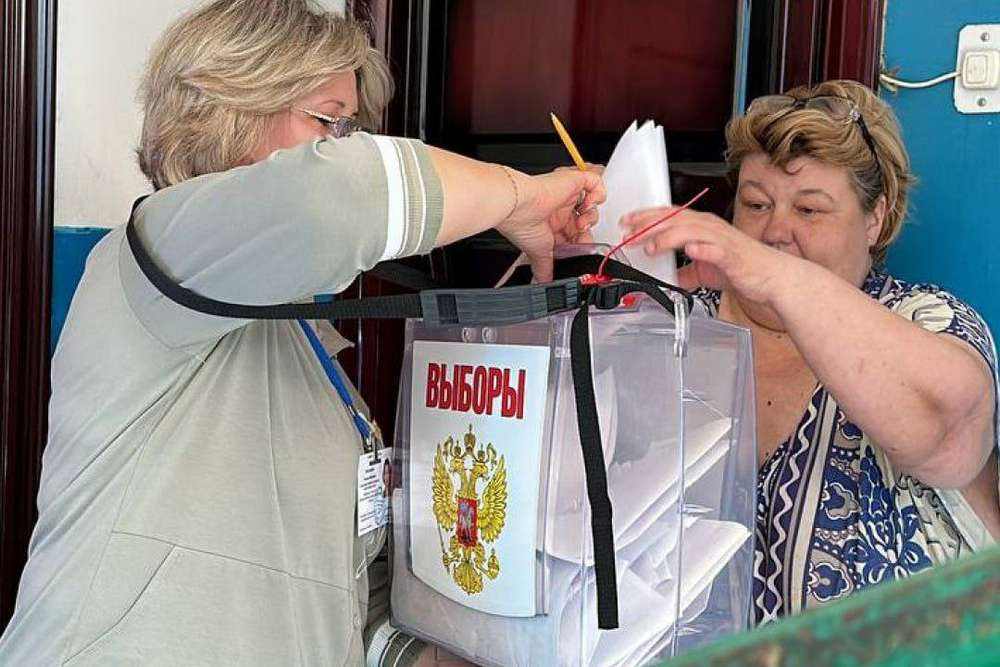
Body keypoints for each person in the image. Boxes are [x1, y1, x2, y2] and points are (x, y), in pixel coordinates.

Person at [0, 1, 603, 664]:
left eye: (350, 129)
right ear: (233, 109)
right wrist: (520, 195)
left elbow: (332, 594)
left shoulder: (306, 348)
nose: (343, 146)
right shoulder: (163, 243)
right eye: (328, 123)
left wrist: (428, 656)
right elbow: (338, 195)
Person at [623, 79, 999, 623]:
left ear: (876, 219)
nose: (776, 231)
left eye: (810, 210)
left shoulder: (924, 318)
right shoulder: (678, 319)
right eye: (756, 204)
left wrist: (771, 275)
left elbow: (950, 439)